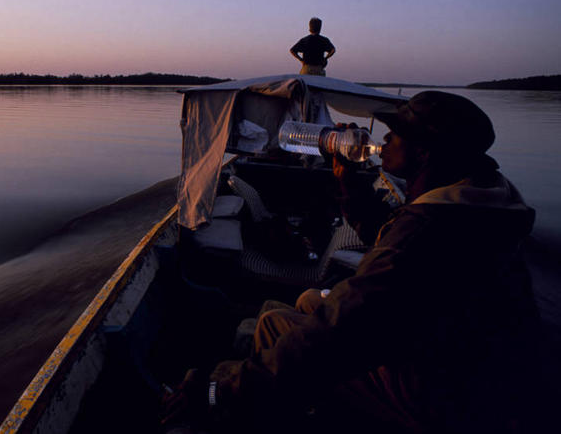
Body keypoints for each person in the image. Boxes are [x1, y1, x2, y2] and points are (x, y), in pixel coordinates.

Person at [162, 91, 539, 433]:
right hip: (459, 361)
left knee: (277, 325)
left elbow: (341, 331)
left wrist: (220, 392)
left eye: (396, 133)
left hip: (442, 398)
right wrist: (350, 184)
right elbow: (388, 242)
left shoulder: (431, 227)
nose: (385, 139)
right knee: (311, 300)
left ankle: (262, 417)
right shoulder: (477, 199)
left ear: (425, 152)